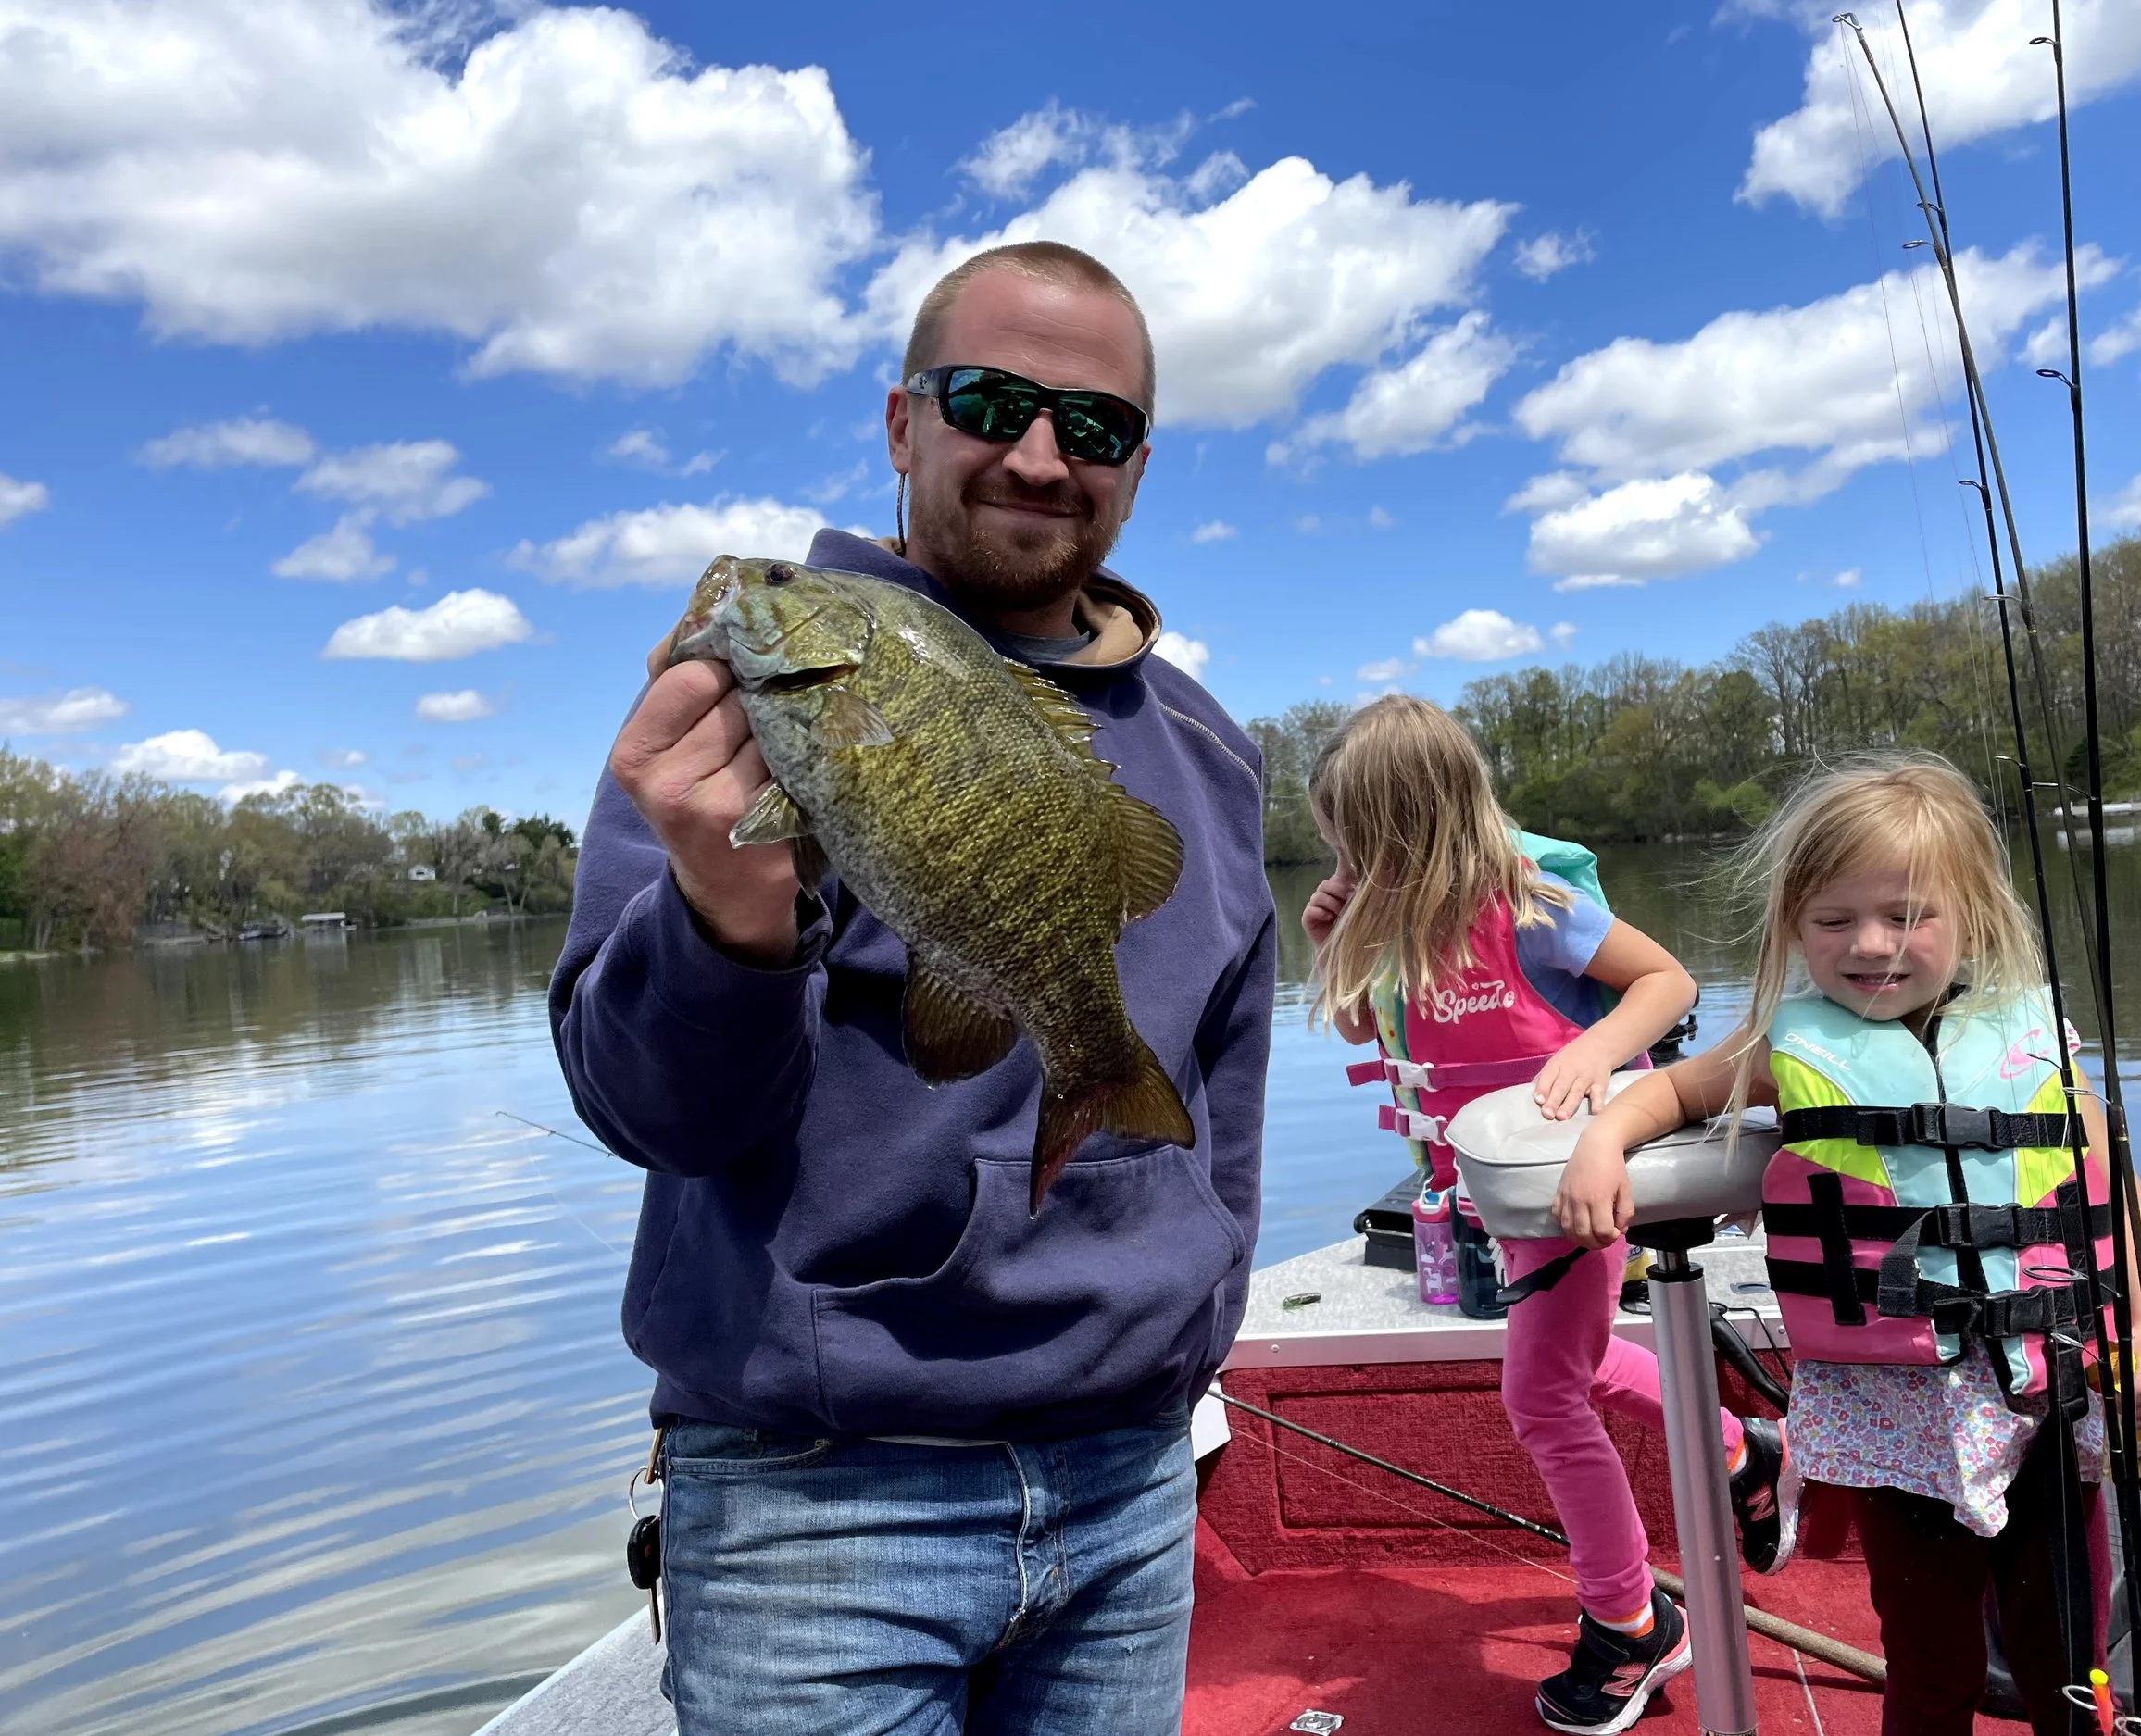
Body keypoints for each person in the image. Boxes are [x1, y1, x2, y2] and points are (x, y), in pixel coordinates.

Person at [548, 241, 1275, 1736]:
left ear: (1138, 466)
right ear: (900, 423)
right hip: (820, 1508)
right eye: (989, 400)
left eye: (1092, 426)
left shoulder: (1205, 756)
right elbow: (646, 1109)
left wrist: (1189, 1343)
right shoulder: (747, 709)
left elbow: (1225, 1118)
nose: (1036, 454)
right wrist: (725, 930)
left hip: (1131, 1488)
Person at [1571, 755, 2141, 1736]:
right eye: (1833, 921)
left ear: (1973, 915)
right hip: (1890, 1421)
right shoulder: (1788, 1046)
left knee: (2067, 1654)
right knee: (1930, 1657)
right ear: (1793, 928)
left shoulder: (2036, 1044)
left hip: (2049, 1397)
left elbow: (2121, 1200)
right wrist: (1603, 1141)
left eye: (1907, 917)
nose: (1871, 945)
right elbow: (1669, 1091)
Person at [1298, 696, 1800, 1736]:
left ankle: (1629, 1622)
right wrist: (1332, 946)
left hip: (1577, 1179)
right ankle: (1747, 1451)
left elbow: (1666, 982)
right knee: (1574, 1370)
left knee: (1540, 1398)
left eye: (1359, 840)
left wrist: (1592, 1050)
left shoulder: (1530, 904)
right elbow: (1375, 1021)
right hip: (1490, 1187)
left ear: (1413, 827)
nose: (1348, 859)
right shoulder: (1391, 910)